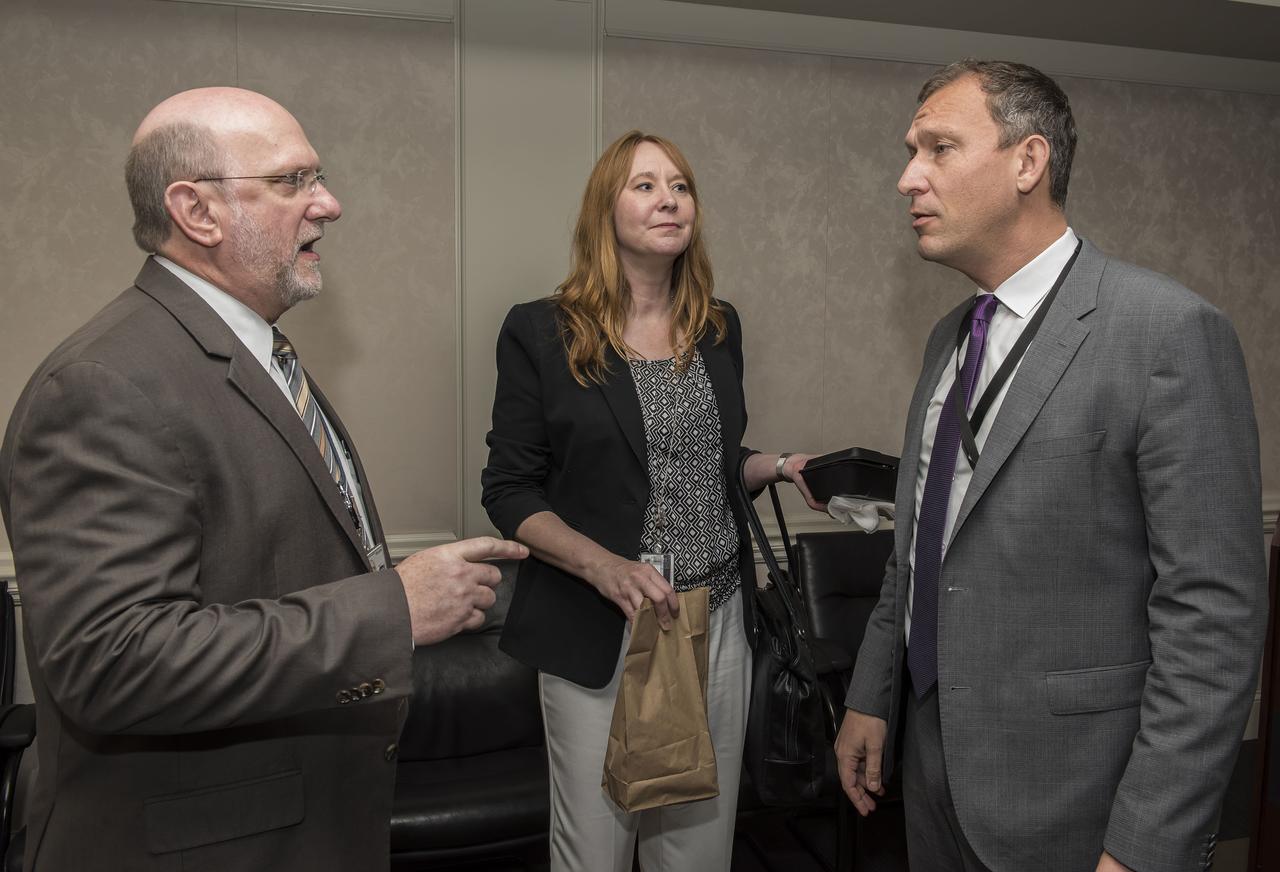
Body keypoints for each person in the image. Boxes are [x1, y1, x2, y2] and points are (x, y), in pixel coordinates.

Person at [0, 87, 526, 872]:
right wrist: (394, 610)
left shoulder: (254, 353)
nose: (330, 204)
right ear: (196, 211)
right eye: (293, 181)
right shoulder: (103, 384)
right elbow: (112, 661)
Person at [834, 60, 1265, 872]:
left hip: (1079, 803)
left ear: (1027, 163)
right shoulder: (947, 340)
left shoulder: (1167, 333)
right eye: (910, 150)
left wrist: (1146, 846)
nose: (906, 178)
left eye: (938, 148)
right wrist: (870, 695)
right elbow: (921, 546)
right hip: (934, 778)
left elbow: (1213, 621)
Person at [481, 129, 822, 872]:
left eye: (680, 185)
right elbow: (509, 489)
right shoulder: (542, 331)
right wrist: (605, 568)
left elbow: (701, 458)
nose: (668, 198)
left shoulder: (718, 327)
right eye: (644, 185)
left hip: (718, 619)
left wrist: (776, 464)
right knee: (597, 853)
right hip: (602, 626)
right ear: (605, 210)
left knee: (699, 851)